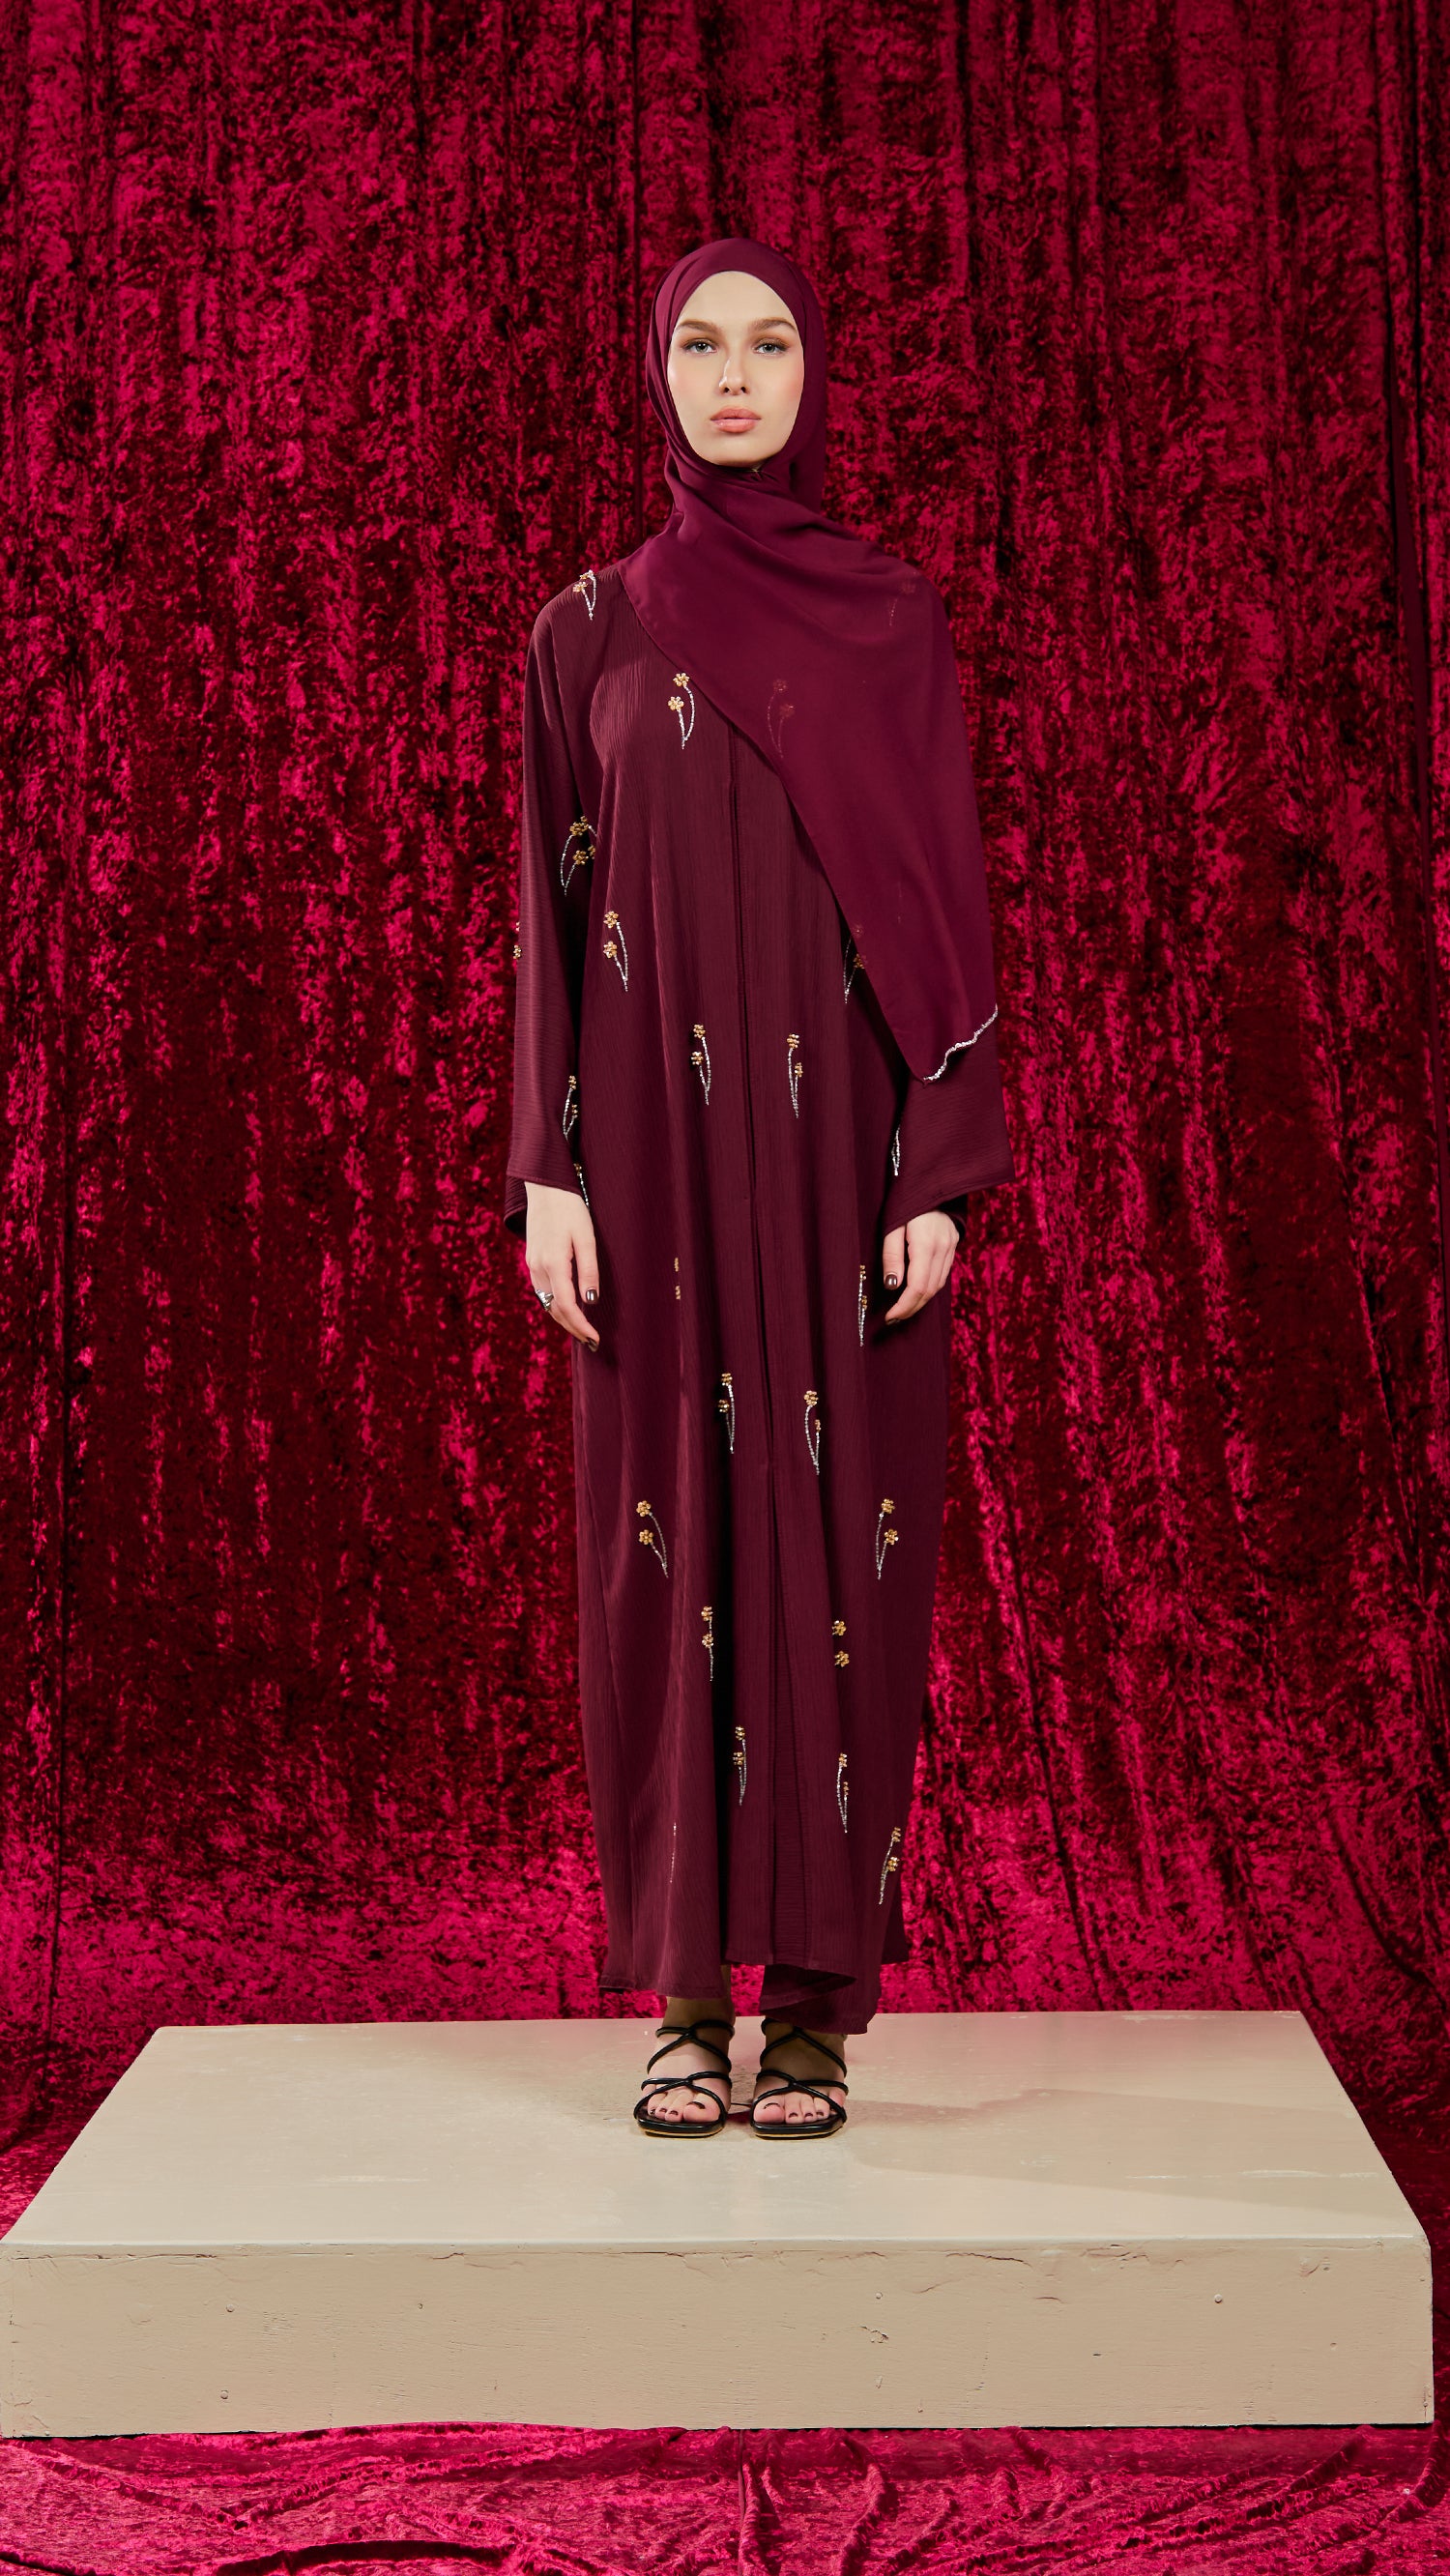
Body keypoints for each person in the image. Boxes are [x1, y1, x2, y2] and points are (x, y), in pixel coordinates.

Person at [506, 238, 1014, 2139]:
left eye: (772, 342)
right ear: (659, 373)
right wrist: (546, 1167)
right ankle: (683, 1996)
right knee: (662, 1556)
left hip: (838, 1163)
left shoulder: (890, 618)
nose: (736, 375)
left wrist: (938, 1168)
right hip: (645, 1169)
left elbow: (943, 905)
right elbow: (549, 916)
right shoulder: (585, 632)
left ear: (813, 375)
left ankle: (812, 2007)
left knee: (834, 1553)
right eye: (703, 345)